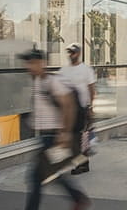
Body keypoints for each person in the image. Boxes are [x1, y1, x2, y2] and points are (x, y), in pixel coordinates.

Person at [20, 50, 91, 210]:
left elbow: (69, 106)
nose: (28, 66)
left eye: (31, 62)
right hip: (46, 136)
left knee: (37, 176)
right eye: (27, 63)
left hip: (54, 137)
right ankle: (78, 198)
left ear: (41, 63)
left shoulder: (53, 81)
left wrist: (64, 133)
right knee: (52, 173)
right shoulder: (38, 81)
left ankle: (78, 198)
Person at [56, 44, 96, 175]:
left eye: (72, 52)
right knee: (72, 139)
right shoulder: (63, 70)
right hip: (67, 109)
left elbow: (92, 89)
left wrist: (90, 107)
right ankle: (82, 163)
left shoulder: (86, 69)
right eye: (68, 52)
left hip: (82, 109)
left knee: (78, 139)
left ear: (78, 53)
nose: (70, 55)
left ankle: (82, 164)